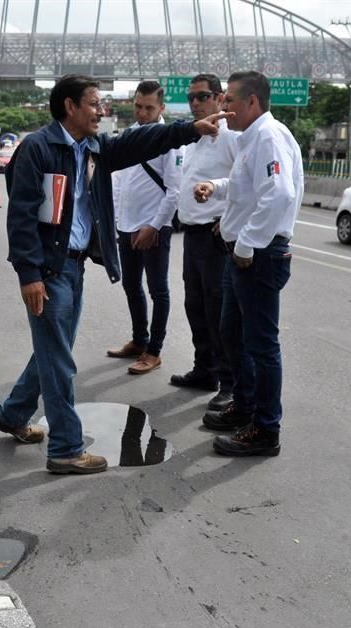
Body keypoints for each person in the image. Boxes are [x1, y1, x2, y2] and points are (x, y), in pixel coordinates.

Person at [0, 74, 227, 474]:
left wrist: (188, 130)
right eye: (94, 103)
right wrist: (29, 274)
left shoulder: (94, 147)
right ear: (70, 106)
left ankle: (13, 413)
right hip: (48, 269)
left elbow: (140, 142)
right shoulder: (38, 149)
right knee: (59, 359)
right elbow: (21, 219)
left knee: (54, 349)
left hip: (74, 265)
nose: (101, 111)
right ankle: (65, 448)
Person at [193, 71, 303, 457]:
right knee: (232, 333)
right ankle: (245, 405)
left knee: (260, 345)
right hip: (243, 251)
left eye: (231, 104)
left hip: (257, 255)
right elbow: (247, 185)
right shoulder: (252, 138)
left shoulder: (268, 137)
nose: (225, 112)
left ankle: (265, 429)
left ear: (252, 102)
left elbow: (278, 194)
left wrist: (247, 244)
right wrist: (217, 188)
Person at [170, 73, 240, 412]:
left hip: (215, 236)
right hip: (192, 234)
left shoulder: (232, 138)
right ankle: (205, 370)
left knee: (218, 311)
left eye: (202, 97)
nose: (195, 103)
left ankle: (229, 383)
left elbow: (244, 179)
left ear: (219, 98)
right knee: (195, 306)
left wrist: (228, 215)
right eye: (191, 98)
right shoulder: (192, 139)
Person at [106, 80, 182, 375]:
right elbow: (119, 180)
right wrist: (114, 221)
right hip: (126, 225)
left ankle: (154, 351)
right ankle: (139, 340)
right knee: (130, 285)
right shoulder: (129, 135)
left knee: (158, 289)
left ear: (161, 108)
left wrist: (154, 226)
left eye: (149, 108)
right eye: (138, 106)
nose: (142, 112)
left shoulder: (170, 139)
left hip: (153, 227)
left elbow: (175, 190)